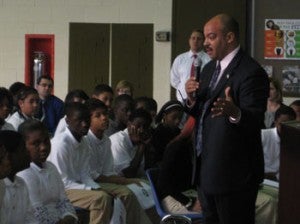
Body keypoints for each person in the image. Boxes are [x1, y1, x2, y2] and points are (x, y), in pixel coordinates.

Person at [185, 14, 269, 224]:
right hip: (206, 170)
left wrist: (235, 113)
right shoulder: (209, 69)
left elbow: (256, 120)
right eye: (205, 37)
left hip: (234, 176)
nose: (205, 43)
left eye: (211, 37)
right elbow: (203, 114)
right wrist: (191, 99)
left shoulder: (251, 72)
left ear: (230, 37)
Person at [83, 98, 152, 224]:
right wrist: (126, 181)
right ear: (88, 120)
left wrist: (127, 180)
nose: (104, 118)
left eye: (105, 114)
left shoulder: (106, 140)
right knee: (127, 193)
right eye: (98, 116)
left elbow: (109, 172)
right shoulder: (86, 140)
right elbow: (94, 176)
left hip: (105, 180)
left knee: (145, 185)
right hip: (88, 183)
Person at [48, 102, 113, 224]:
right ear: (67, 121)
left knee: (105, 195)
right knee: (101, 198)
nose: (84, 124)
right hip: (61, 191)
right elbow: (63, 182)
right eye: (79, 120)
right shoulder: (60, 144)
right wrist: (91, 190)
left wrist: (96, 188)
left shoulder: (84, 142)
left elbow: (85, 175)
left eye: (87, 119)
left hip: (76, 188)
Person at [18, 120, 78, 223]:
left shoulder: (51, 167)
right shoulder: (25, 173)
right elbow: (37, 214)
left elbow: (64, 201)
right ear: (23, 146)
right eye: (36, 143)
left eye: (46, 141)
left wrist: (69, 217)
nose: (43, 147)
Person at [0, 130, 37, 223]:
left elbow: (30, 219)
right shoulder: (2, 186)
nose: (28, 152)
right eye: (23, 149)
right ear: (8, 155)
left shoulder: (21, 183)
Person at [170, 29, 211, 103]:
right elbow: (174, 80)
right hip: (182, 100)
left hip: (202, 100)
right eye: (193, 38)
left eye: (199, 39)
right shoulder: (180, 59)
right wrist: (183, 88)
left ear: (203, 41)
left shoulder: (209, 60)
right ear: (189, 40)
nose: (195, 41)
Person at [110, 108, 152, 178]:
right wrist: (142, 147)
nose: (141, 130)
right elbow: (128, 174)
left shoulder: (140, 140)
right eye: (138, 126)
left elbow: (141, 173)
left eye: (145, 127)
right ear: (129, 124)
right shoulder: (118, 140)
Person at [262, 105, 296, 181]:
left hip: (284, 181)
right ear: (275, 123)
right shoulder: (263, 135)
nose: (287, 128)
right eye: (283, 124)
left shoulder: (295, 140)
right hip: (264, 179)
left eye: (290, 124)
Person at [147, 100, 183, 169]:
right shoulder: (157, 134)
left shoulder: (179, 132)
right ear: (164, 116)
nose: (177, 121)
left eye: (180, 118)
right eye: (174, 117)